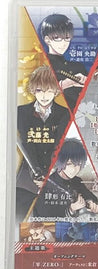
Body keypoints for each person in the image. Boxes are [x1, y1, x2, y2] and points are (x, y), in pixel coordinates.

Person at [16, 65, 70, 220]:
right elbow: (26, 143)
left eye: (49, 90)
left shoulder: (65, 114)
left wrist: (49, 175)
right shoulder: (21, 112)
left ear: (56, 91)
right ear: (33, 90)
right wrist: (36, 173)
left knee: (51, 216)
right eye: (40, 90)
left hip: (54, 174)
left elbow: (60, 145)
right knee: (20, 216)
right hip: (28, 174)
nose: (44, 96)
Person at [32, 138, 98, 219]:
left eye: (78, 164)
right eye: (69, 163)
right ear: (60, 161)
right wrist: (71, 209)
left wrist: (91, 204)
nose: (74, 169)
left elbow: (91, 197)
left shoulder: (77, 181)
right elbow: (45, 215)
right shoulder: (47, 183)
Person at [40, 13, 87, 111]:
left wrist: (87, 83)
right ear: (47, 40)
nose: (63, 43)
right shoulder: (41, 66)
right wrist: (67, 83)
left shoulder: (78, 67)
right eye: (57, 38)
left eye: (67, 38)